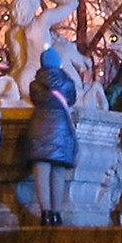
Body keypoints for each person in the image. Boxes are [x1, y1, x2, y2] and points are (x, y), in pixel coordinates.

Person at [24, 47, 78, 227]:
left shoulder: (35, 85)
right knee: (58, 172)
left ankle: (45, 213)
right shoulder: (68, 84)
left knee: (41, 172)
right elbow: (72, 100)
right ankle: (57, 213)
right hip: (61, 130)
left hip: (39, 129)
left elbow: (35, 100)